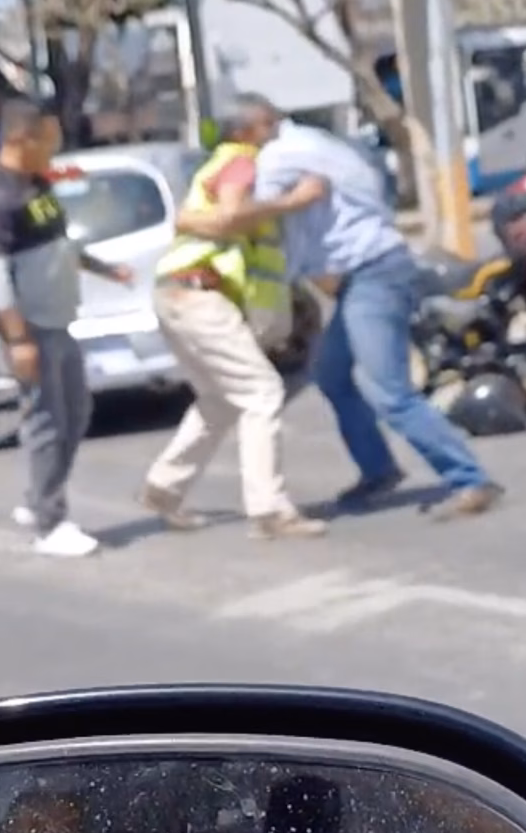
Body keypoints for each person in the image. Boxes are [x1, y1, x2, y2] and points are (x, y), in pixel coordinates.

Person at [179, 94, 503, 519]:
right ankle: (379, 469)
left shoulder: (279, 157)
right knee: (331, 373)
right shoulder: (316, 140)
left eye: (237, 136)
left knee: (389, 391)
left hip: (372, 271)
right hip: (367, 271)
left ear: (253, 128)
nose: (237, 147)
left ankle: (470, 479)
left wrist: (190, 221)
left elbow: (241, 215)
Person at [138, 103, 328, 539]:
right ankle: (269, 510)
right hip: (200, 294)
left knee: (220, 399)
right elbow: (228, 215)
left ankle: (164, 488)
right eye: (269, 125)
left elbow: (202, 220)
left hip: (178, 292)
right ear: (246, 130)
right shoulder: (242, 161)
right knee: (262, 392)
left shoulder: (217, 164)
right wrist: (293, 201)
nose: (276, 132)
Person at [0, 97, 133, 557]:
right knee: (46, 421)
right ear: (21, 139)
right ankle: (49, 523)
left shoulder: (36, 183)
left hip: (59, 321)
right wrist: (19, 340)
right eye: (50, 138)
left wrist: (105, 269)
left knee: (76, 413)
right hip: (32, 327)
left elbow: (58, 245)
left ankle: (38, 497)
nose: (56, 146)